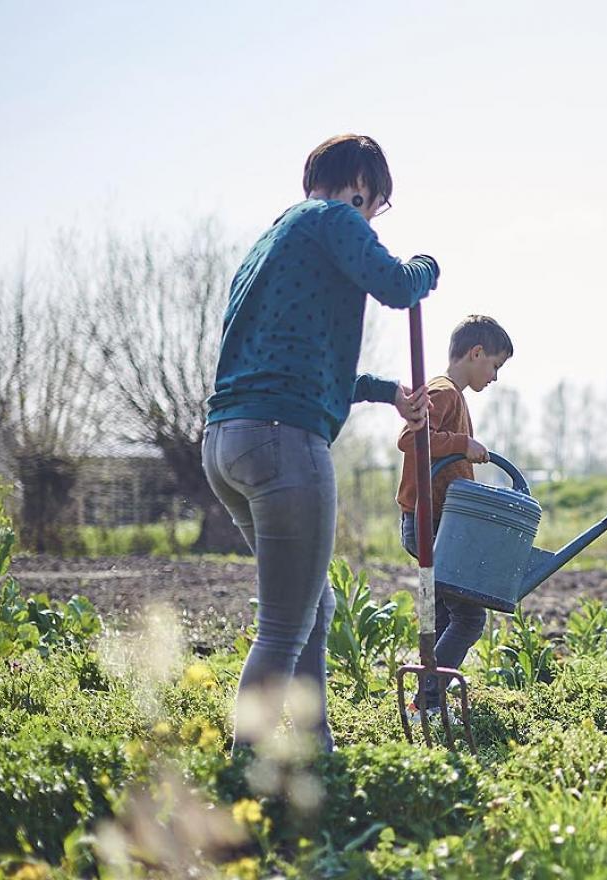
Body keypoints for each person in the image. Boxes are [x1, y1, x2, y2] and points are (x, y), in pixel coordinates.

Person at [202, 133, 439, 751]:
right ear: (360, 185)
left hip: (227, 441)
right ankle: (238, 772)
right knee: (283, 624)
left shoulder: (271, 240)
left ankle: (316, 751)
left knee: (314, 607)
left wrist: (389, 392)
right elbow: (395, 284)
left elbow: (307, 361)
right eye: (376, 205)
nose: (371, 218)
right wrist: (427, 268)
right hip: (284, 444)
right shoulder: (335, 217)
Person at [394, 315, 513, 720]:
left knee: (446, 614)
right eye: (494, 365)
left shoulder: (449, 395)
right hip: (428, 524)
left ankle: (427, 699)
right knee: (470, 617)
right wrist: (463, 444)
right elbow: (410, 440)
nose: (494, 376)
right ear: (475, 353)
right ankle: (425, 702)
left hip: (433, 523)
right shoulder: (445, 392)